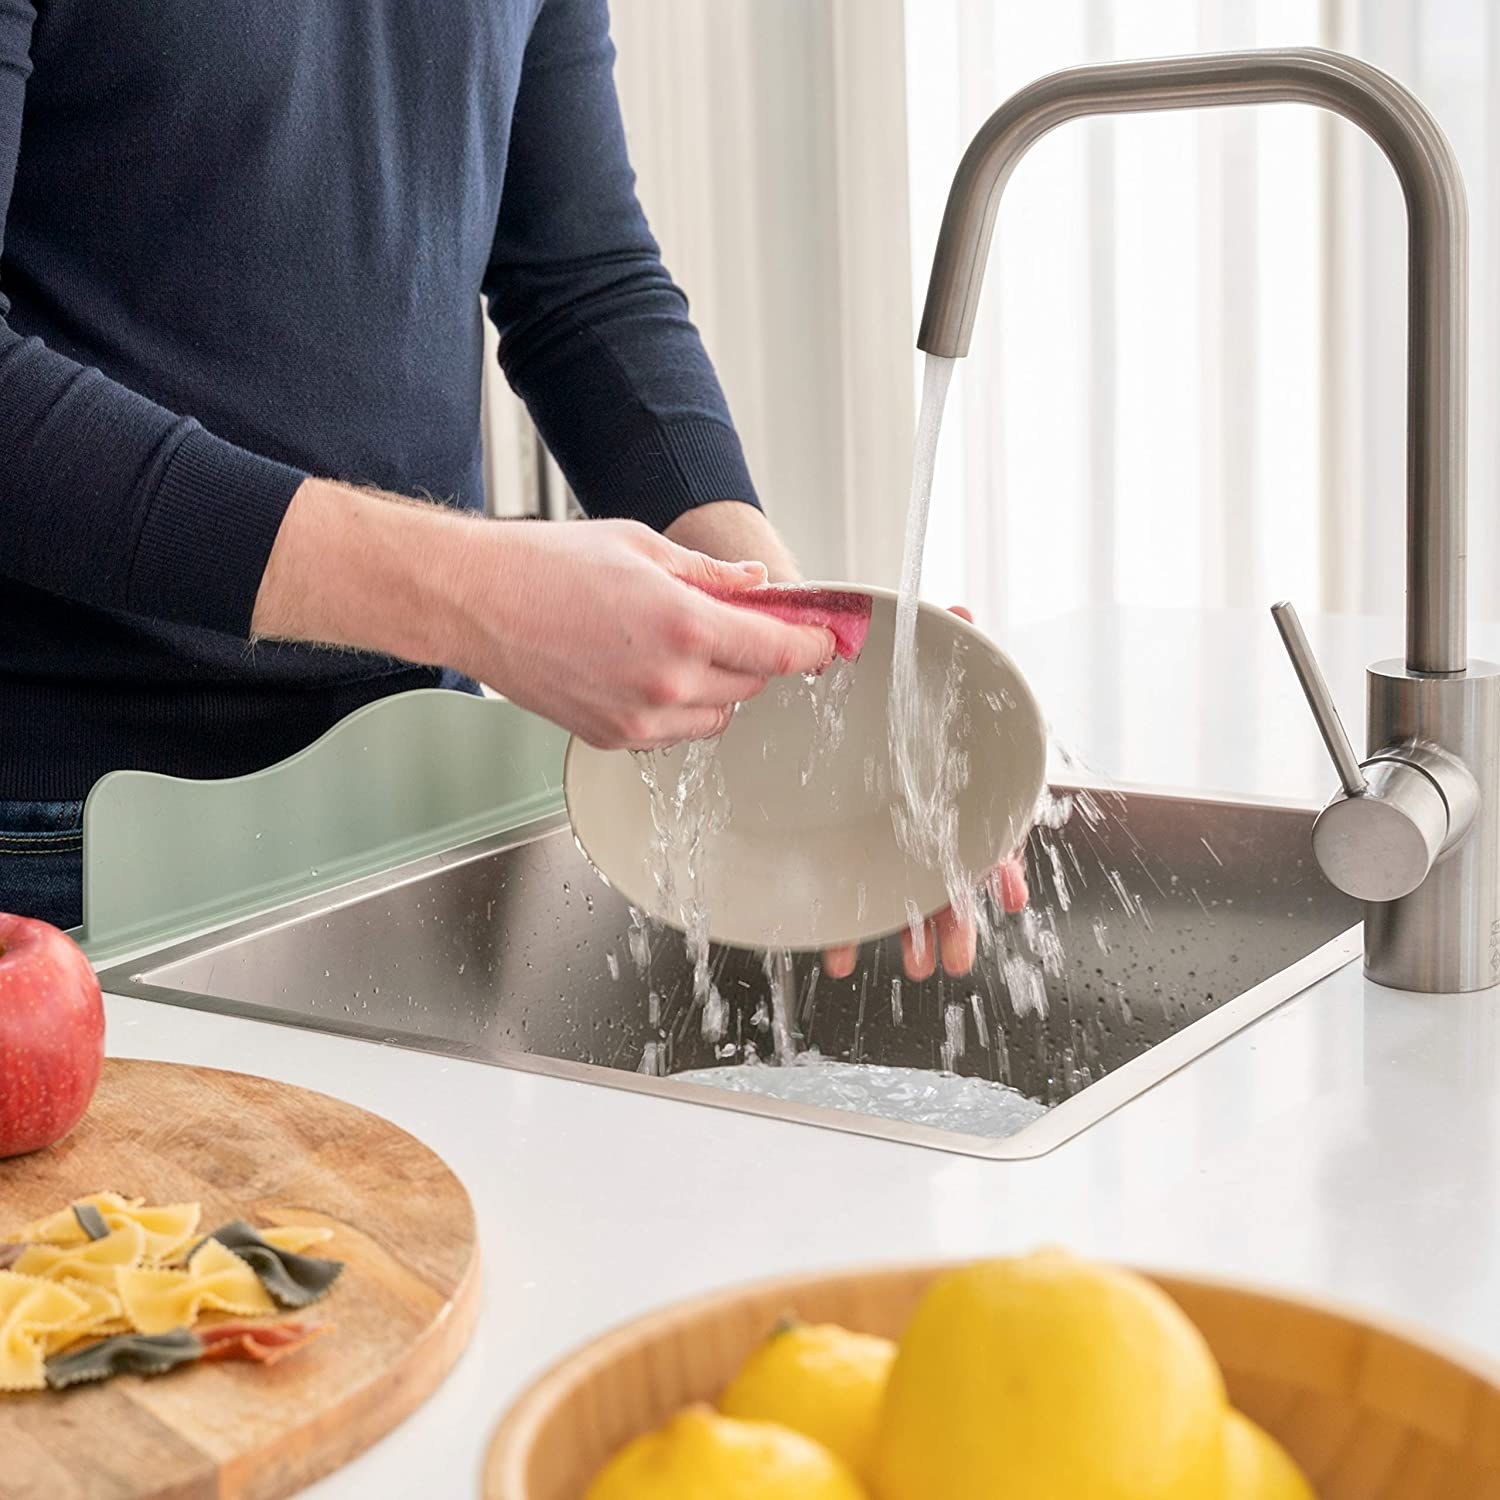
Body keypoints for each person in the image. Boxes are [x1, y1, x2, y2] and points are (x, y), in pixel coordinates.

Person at [0, 0, 1013, 971]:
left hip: (417, 780)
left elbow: (580, 282)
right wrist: (486, 596)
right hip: (58, 837)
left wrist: (798, 653)